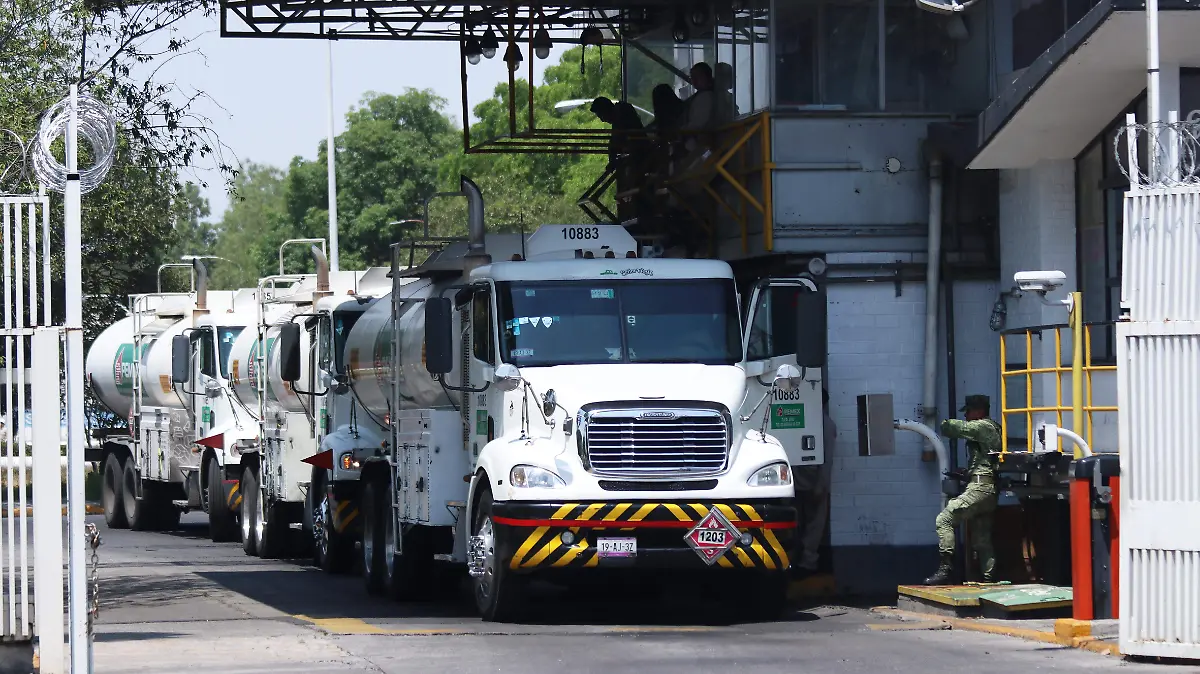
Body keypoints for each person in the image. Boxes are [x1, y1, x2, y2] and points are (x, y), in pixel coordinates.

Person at [924, 394, 1002, 585]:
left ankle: (945, 568)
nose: (966, 415)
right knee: (982, 538)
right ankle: (988, 579)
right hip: (988, 489)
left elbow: (954, 428)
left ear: (979, 411)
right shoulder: (992, 428)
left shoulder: (983, 426)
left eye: (968, 411)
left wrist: (939, 421)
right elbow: (985, 461)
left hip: (980, 487)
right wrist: (968, 472)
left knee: (944, 519)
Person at [795, 388, 836, 575]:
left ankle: (805, 561)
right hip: (812, 479)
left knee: (807, 522)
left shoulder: (808, 420)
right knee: (813, 523)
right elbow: (828, 458)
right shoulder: (825, 423)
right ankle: (806, 561)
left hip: (802, 479)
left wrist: (822, 483)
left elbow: (826, 458)